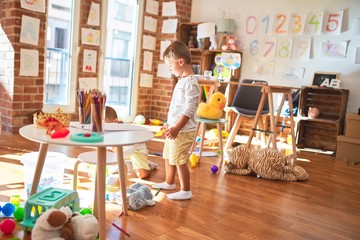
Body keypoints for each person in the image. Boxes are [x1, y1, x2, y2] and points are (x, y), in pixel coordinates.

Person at [152, 41, 200, 200]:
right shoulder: (182, 81)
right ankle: (169, 182)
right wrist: (169, 124)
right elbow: (176, 107)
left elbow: (189, 109)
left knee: (179, 159)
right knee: (168, 155)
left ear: (181, 61)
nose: (170, 70)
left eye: (170, 66)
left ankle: (186, 190)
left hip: (184, 130)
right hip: (174, 127)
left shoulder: (191, 83)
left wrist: (177, 127)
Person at [105, 106, 158, 179]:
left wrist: (118, 154)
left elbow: (131, 150)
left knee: (142, 175)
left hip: (137, 151)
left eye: (107, 126)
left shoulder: (127, 131)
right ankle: (121, 162)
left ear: (115, 121)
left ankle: (148, 165)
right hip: (123, 150)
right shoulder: (108, 130)